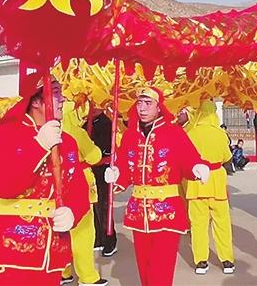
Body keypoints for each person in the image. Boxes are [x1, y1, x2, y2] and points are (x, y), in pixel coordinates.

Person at [0, 75, 89, 285]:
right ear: (37, 100)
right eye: (56, 93)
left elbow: (78, 190)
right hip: (11, 248)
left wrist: (73, 212)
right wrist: (38, 146)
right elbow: (2, 186)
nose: (63, 99)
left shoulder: (67, 141)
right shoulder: (5, 134)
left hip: (52, 250)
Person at [105, 87, 210, 285]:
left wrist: (197, 167)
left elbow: (188, 159)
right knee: (144, 268)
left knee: (160, 269)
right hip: (138, 212)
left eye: (148, 103)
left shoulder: (173, 133)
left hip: (167, 212)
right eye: (139, 103)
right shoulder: (130, 136)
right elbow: (125, 170)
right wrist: (116, 175)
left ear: (159, 107)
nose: (142, 108)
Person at [184, 100, 236, 275]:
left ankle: (200, 261)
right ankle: (227, 260)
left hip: (196, 182)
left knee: (198, 224)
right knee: (222, 223)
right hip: (217, 182)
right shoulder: (220, 134)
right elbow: (226, 157)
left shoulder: (190, 133)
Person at [61, 103, 109, 286]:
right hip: (79, 185)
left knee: (61, 232)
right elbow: (94, 156)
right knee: (83, 233)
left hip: (56, 187)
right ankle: (88, 276)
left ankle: (64, 272)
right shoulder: (75, 132)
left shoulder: (45, 130)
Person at [90, 109, 118, 257]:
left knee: (104, 205)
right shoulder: (85, 123)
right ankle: (98, 238)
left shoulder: (106, 123)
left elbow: (107, 148)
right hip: (90, 168)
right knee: (93, 204)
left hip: (103, 168)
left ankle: (110, 240)